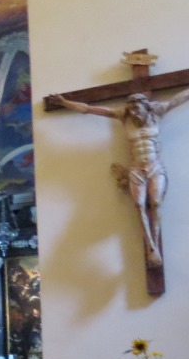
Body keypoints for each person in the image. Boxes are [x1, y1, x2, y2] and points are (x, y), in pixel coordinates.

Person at [49, 89, 189, 266]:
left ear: (145, 106)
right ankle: (151, 246)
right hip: (137, 168)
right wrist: (64, 102)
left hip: (155, 166)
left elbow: (179, 98)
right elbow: (88, 109)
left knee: (155, 203)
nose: (133, 112)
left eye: (136, 108)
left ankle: (155, 245)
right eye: (131, 108)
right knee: (138, 205)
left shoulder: (157, 112)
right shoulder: (124, 116)